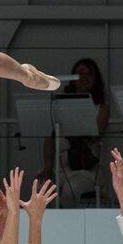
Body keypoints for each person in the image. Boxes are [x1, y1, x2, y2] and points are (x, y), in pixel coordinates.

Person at [40, 58, 109, 207]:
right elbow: (49, 140)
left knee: (70, 190)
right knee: (41, 188)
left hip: (85, 170)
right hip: (60, 168)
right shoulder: (60, 104)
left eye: (89, 74)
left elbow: (94, 132)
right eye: (80, 74)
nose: (84, 78)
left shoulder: (101, 107)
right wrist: (47, 167)